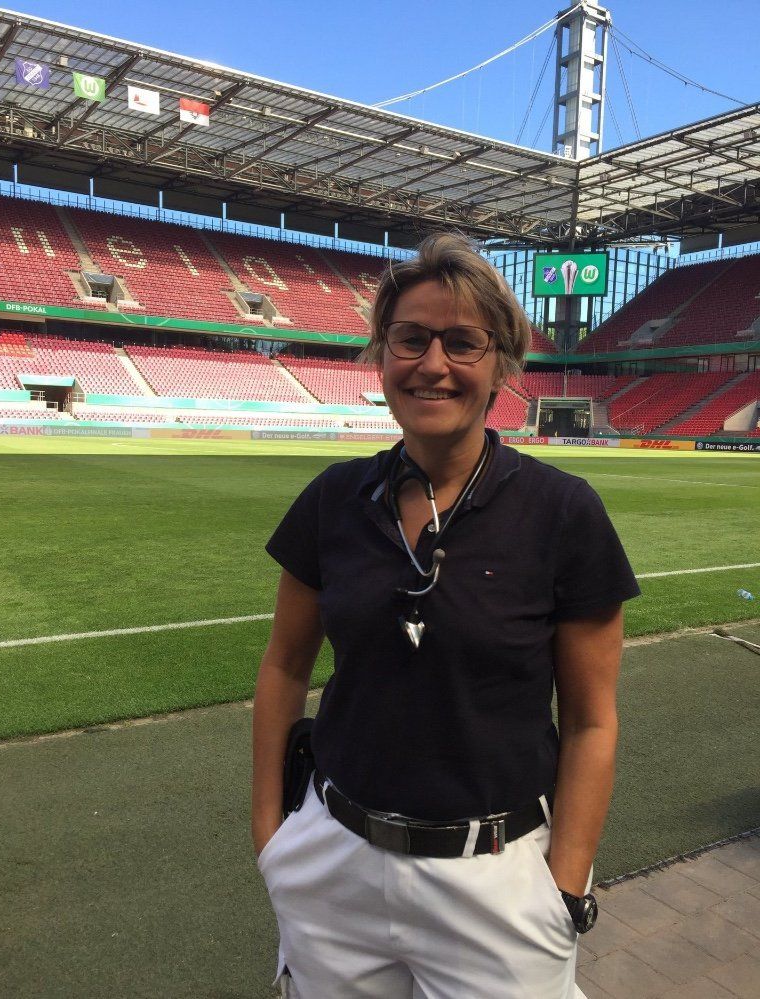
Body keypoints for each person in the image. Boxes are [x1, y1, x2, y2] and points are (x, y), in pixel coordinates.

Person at [252, 233, 641, 998]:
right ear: (382, 354)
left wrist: (564, 885)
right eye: (410, 338)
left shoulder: (564, 512)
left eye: (463, 342)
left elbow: (593, 720)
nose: (433, 363)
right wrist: (271, 834)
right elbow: (284, 665)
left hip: (497, 880)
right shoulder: (333, 499)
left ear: (501, 364)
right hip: (333, 861)